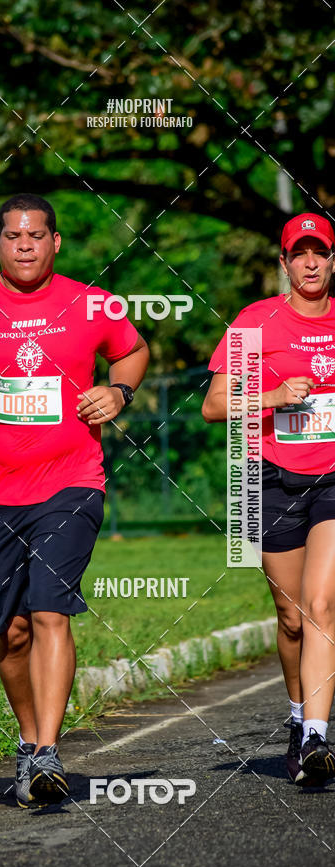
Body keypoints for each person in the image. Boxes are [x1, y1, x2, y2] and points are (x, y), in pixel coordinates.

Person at [0, 193, 149, 806]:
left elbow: (133, 350)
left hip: (72, 481)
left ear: (55, 242)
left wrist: (119, 391)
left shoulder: (91, 303)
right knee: (13, 633)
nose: (24, 245)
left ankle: (47, 751)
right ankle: (28, 739)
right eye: (13, 236)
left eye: (36, 235)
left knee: (49, 609)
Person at [203, 212, 335, 785]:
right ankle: (298, 717)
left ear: (332, 261)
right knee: (291, 619)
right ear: (284, 264)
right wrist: (273, 395)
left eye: (319, 252)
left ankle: (317, 737)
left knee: (321, 606)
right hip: (272, 478)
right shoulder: (255, 323)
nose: (310, 263)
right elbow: (213, 406)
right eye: (299, 254)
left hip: (332, 479)